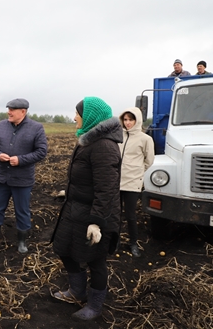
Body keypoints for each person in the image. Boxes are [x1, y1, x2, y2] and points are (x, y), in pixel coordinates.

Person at [51, 97, 122, 321]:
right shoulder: (89, 140)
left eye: (77, 113)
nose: (74, 117)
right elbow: (85, 178)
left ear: (90, 116)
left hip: (95, 214)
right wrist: (69, 191)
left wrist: (97, 222)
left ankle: (95, 304)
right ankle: (76, 291)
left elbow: (107, 189)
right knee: (64, 249)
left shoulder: (104, 146)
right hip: (75, 208)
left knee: (95, 260)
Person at [0, 98, 48, 254]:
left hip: (23, 179)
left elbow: (41, 151)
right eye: (8, 109)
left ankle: (22, 241)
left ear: (23, 112)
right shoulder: (2, 125)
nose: (9, 112)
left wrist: (21, 160)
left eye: (12, 109)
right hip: (3, 177)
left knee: (22, 210)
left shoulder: (36, 128)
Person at [118, 107, 155, 258]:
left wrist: (136, 171)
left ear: (137, 120)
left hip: (133, 182)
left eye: (131, 120)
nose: (127, 123)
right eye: (125, 119)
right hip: (116, 181)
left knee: (131, 215)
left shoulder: (145, 139)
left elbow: (149, 160)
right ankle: (114, 242)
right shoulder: (118, 136)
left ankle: (133, 243)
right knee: (115, 214)